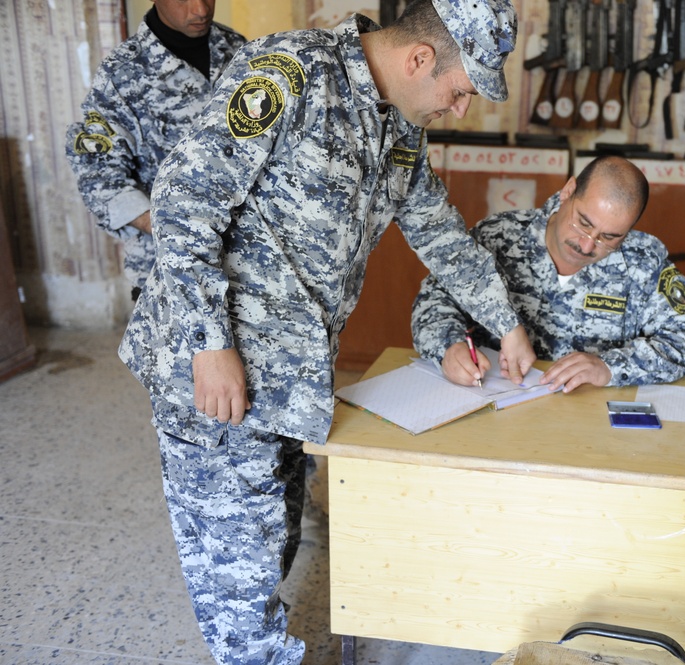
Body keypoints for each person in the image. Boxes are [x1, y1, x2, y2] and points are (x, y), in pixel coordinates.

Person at [117, 0, 535, 661]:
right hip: (214, 373)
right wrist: (210, 343)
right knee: (239, 585)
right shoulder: (289, 74)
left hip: (292, 380)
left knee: (274, 538)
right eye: (459, 91)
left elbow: (438, 230)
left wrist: (507, 325)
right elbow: (183, 200)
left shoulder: (400, 129)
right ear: (420, 59)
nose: (460, 109)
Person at [412, 155, 685, 393]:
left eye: (609, 237)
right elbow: (433, 303)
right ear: (568, 192)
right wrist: (447, 348)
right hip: (494, 408)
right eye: (583, 222)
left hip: (590, 428)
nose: (586, 245)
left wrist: (609, 367)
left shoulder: (643, 261)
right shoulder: (498, 237)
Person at [66, 0, 246, 299]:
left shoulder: (238, 50)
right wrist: (170, 229)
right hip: (168, 274)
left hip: (247, 266)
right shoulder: (122, 74)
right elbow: (97, 176)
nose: (201, 10)